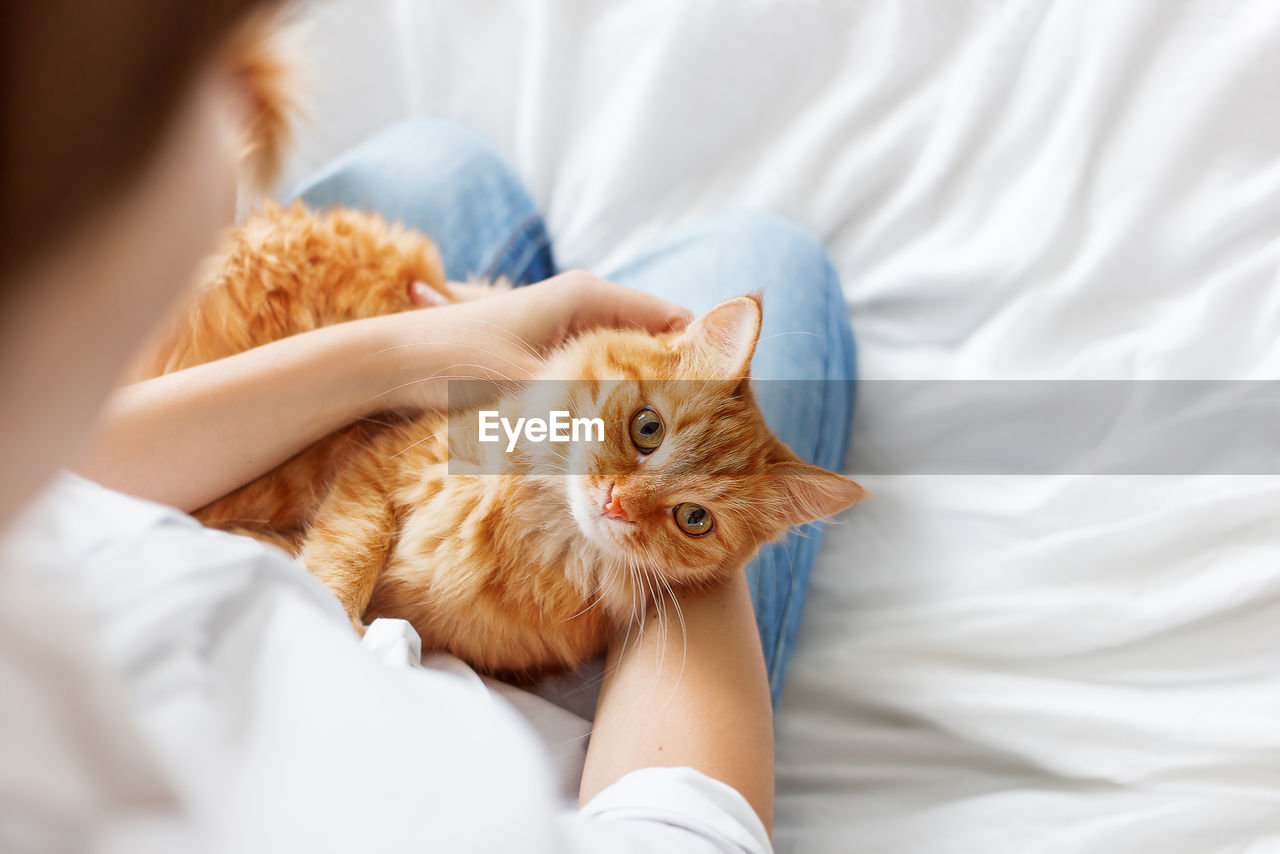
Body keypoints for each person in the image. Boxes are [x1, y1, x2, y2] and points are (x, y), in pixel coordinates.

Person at [0, 1, 855, 851]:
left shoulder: (46, 564)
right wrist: (715, 511)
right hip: (476, 608)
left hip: (372, 412)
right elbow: (690, 831)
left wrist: (412, 349)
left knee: (441, 167)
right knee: (766, 253)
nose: (630, 503)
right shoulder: (429, 794)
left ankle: (507, 314)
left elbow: (67, 471)